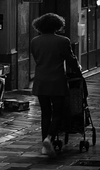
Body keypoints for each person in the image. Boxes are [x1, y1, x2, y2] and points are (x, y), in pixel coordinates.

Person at [30, 13, 81, 158]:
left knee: (45, 112)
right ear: (57, 26)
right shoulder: (63, 41)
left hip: (40, 81)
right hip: (57, 80)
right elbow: (71, 60)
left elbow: (38, 58)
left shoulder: (35, 41)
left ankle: (44, 144)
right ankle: (49, 138)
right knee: (58, 112)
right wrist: (78, 71)